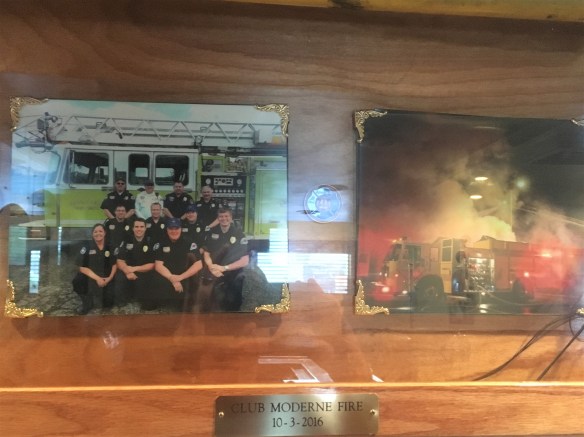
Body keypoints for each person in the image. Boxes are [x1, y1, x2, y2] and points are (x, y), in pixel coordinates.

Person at [201, 207, 249, 311]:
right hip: (214, 268)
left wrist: (224, 268)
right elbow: (206, 254)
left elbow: (245, 260)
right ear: (218, 218)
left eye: (226, 216)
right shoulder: (212, 232)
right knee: (207, 300)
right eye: (221, 216)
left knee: (234, 298)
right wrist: (211, 267)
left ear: (231, 218)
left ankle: (234, 308)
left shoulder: (239, 233)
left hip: (232, 269)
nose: (224, 219)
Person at [150, 217, 203, 311]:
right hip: (168, 276)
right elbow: (158, 265)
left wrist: (180, 277)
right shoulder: (161, 242)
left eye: (176, 228)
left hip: (184, 275)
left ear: (180, 229)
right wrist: (172, 278)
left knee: (184, 307)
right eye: (171, 228)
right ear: (167, 229)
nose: (174, 231)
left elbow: (199, 264)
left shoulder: (189, 242)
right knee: (152, 300)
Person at [74, 223, 117, 314]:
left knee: (108, 303)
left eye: (100, 231)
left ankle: (98, 294)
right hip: (91, 276)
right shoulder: (86, 247)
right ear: (92, 234)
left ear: (105, 233)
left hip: (106, 277)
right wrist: (97, 279)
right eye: (95, 232)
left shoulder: (110, 246)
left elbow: (114, 264)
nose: (98, 234)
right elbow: (81, 267)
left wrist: (109, 278)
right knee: (78, 280)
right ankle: (87, 302)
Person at [114, 218, 155, 309]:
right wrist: (127, 271)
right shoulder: (126, 240)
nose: (139, 229)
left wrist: (134, 269)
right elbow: (119, 261)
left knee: (148, 305)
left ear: (145, 228)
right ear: (133, 228)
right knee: (119, 278)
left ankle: (143, 299)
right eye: (136, 227)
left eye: (141, 227)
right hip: (127, 269)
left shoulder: (151, 242)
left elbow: (153, 265)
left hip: (144, 270)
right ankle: (122, 300)